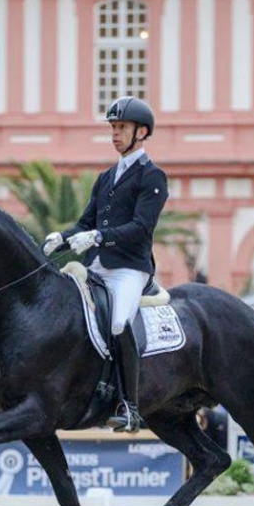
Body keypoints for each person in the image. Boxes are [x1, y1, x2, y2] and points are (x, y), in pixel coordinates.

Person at [43, 96, 169, 433]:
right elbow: (87, 222)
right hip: (95, 267)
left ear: (141, 132)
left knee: (116, 324)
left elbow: (141, 228)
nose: (115, 134)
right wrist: (65, 238)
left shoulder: (152, 177)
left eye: (121, 128)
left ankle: (130, 405)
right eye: (113, 128)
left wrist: (99, 237)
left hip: (129, 269)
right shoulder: (106, 177)